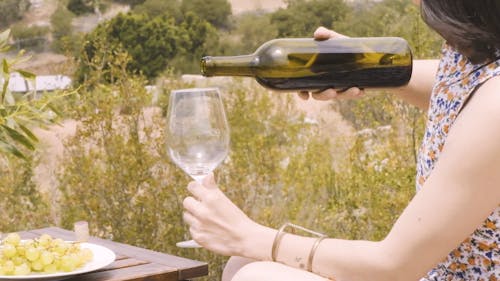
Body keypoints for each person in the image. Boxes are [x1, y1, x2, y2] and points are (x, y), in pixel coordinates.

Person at [181, 0, 500, 280]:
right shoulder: (476, 54)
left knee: (255, 273)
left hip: (415, 270)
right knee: (244, 265)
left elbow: (394, 266)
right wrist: (359, 65)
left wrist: (248, 235)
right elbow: (455, 87)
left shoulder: (494, 108)